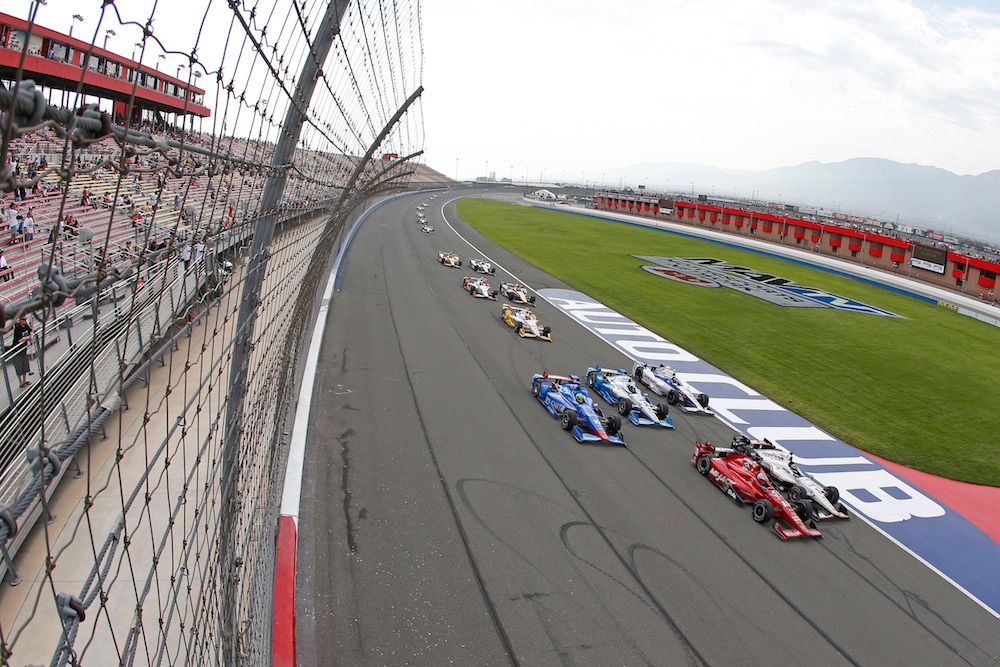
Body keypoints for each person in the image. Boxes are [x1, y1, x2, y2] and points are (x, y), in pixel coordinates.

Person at [12, 314, 33, 388]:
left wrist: (31, 336)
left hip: (23, 350)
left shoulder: (26, 325)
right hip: (17, 351)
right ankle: (20, 382)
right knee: (19, 367)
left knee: (25, 366)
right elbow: (20, 340)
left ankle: (24, 380)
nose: (25, 321)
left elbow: (30, 331)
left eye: (26, 319)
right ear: (20, 320)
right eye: (23, 319)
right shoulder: (18, 328)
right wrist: (28, 338)